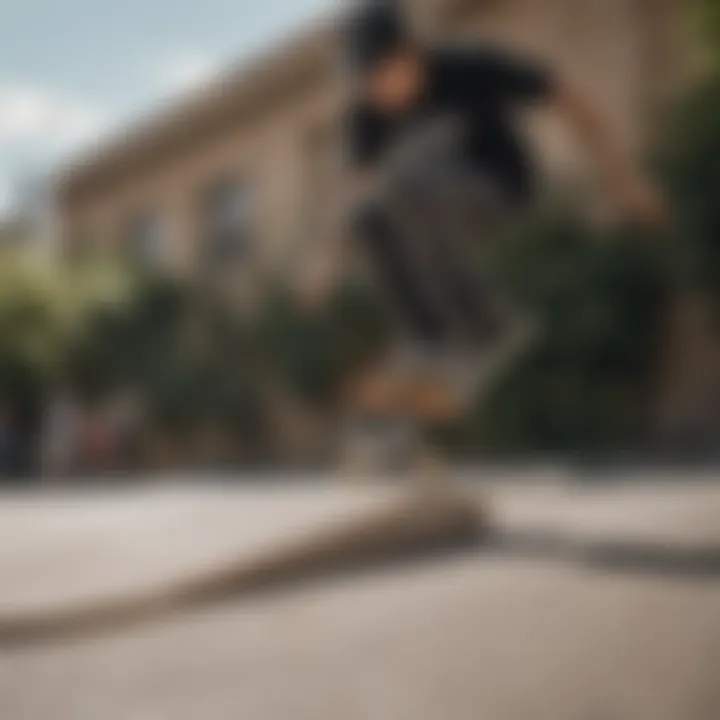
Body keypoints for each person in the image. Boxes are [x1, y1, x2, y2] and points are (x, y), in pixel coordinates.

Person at [306, 0, 667, 475]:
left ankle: (479, 321)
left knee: (405, 180)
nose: (380, 94)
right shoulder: (365, 112)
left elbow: (570, 98)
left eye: (385, 76)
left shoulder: (469, 65)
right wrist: (326, 263)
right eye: (367, 84)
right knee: (370, 215)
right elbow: (351, 196)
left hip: (501, 192)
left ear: (411, 53)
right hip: (434, 206)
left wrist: (623, 179)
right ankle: (427, 336)